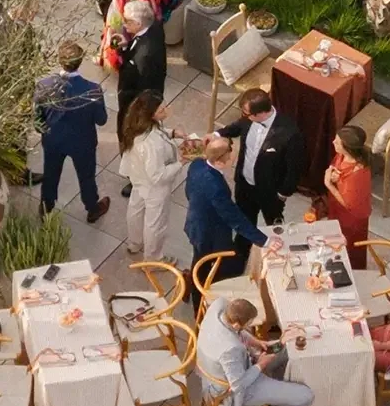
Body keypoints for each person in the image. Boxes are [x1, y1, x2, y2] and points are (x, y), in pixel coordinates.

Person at [196, 294, 314, 406]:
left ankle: (275, 388)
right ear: (237, 325)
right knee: (306, 396)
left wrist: (254, 341)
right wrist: (260, 365)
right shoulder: (230, 349)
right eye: (248, 324)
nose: (249, 327)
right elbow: (238, 385)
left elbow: (237, 331)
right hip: (234, 389)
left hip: (236, 364)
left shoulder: (219, 306)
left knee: (284, 346)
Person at [35, 40, 109, 222]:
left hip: (54, 141)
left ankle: (46, 206)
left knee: (50, 174)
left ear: (60, 61)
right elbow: (102, 120)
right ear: (80, 61)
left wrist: (45, 131)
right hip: (82, 142)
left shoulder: (44, 85)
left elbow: (38, 119)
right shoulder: (92, 90)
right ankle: (92, 207)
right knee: (86, 176)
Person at [219, 89, 304, 230]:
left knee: (274, 227)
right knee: (244, 224)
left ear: (260, 113)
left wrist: (282, 195)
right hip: (244, 184)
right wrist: (217, 134)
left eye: (246, 114)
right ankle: (242, 250)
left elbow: (294, 168)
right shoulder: (248, 119)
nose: (243, 116)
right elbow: (238, 126)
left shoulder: (290, 133)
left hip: (270, 191)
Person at [186, 133, 266, 275]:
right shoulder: (216, 187)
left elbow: (189, 191)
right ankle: (199, 293)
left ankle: (196, 290)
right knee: (207, 265)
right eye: (231, 161)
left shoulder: (197, 164)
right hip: (209, 233)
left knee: (199, 261)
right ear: (219, 163)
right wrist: (263, 240)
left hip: (195, 223)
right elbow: (234, 218)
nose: (233, 164)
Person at [121, 92, 185, 261]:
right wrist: (181, 163)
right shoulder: (152, 145)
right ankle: (154, 259)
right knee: (155, 223)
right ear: (152, 114)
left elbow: (158, 130)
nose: (166, 109)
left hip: (138, 177)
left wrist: (171, 133)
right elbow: (158, 176)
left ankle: (134, 243)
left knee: (135, 209)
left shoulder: (137, 125)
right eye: (162, 108)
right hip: (154, 187)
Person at [109, 0, 166, 151]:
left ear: (139, 24)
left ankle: (127, 154)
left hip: (135, 99)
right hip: (141, 88)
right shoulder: (155, 28)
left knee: (127, 129)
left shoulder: (144, 56)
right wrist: (125, 47)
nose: (123, 23)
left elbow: (144, 84)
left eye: (127, 21)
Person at [320, 125, 373, 265]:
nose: (333, 142)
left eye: (337, 142)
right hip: (337, 209)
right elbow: (335, 166)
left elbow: (349, 204)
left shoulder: (358, 173)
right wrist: (333, 176)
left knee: (348, 247)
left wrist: (329, 184)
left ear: (347, 147)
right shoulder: (343, 155)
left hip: (350, 218)